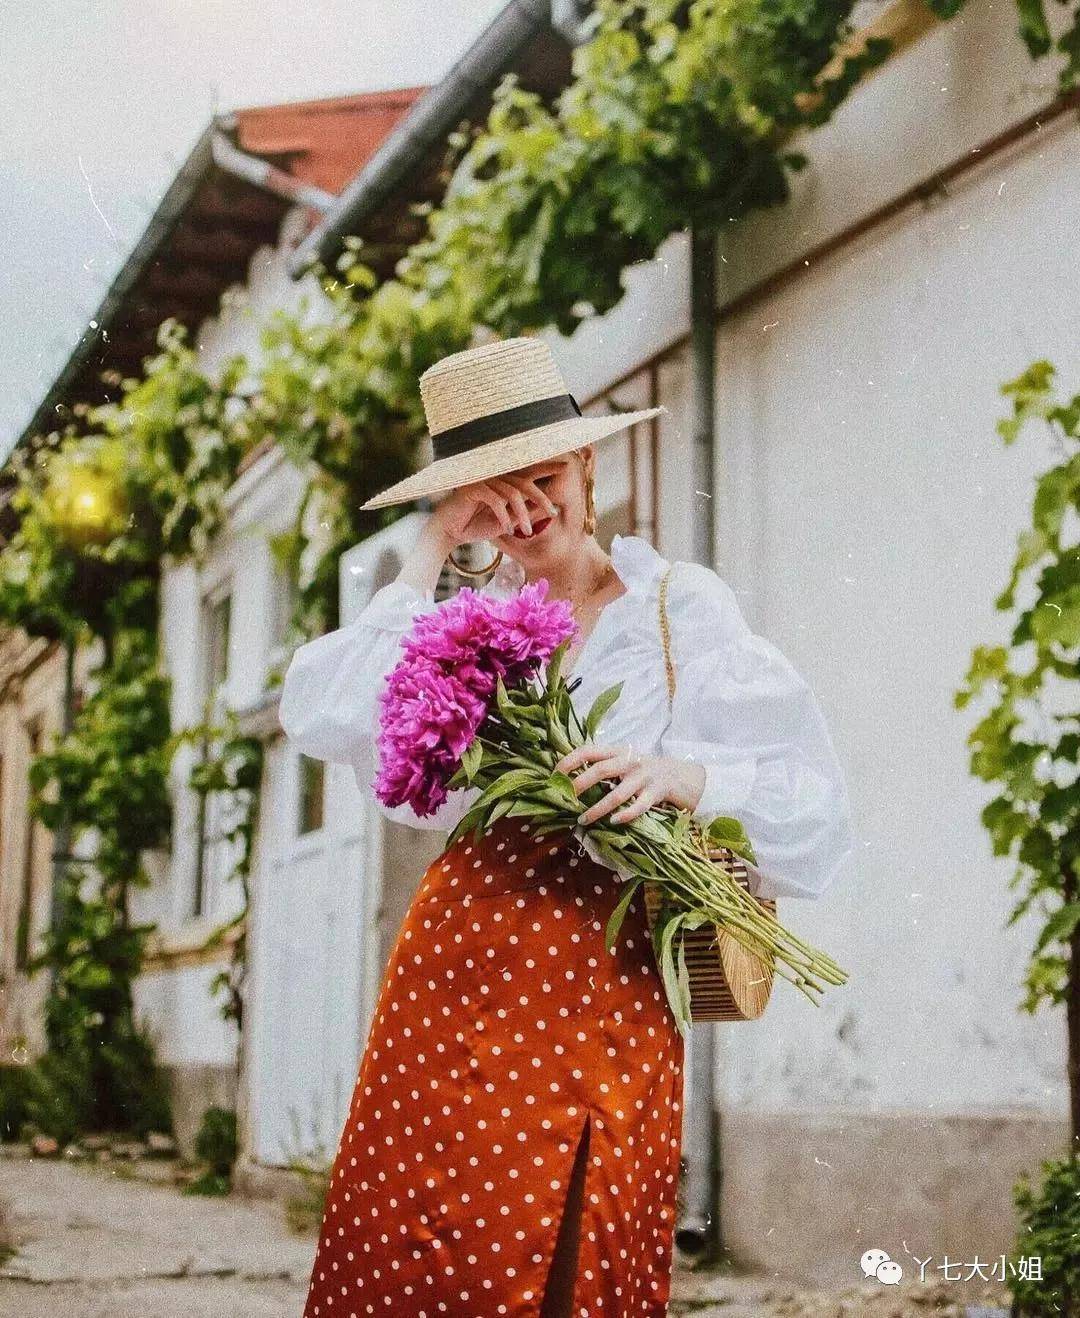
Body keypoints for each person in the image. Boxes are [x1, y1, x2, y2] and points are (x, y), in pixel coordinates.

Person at [279, 335, 854, 1318]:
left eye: (542, 476)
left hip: (604, 971)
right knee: (433, 1246)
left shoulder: (676, 606)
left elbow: (813, 796)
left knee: (574, 1237)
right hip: (458, 978)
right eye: (493, 497)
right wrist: (432, 545)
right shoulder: (470, 631)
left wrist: (685, 774)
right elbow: (329, 711)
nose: (526, 509)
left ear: (589, 465)